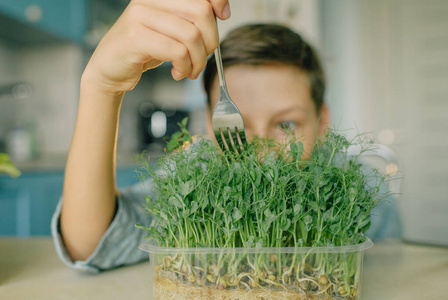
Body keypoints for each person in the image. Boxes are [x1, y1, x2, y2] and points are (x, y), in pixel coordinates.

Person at [51, 0, 401, 272]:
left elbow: (395, 271)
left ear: (322, 121)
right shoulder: (194, 176)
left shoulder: (359, 187)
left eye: (287, 125)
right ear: (208, 120)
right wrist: (101, 86)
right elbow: (90, 245)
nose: (260, 148)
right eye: (236, 123)